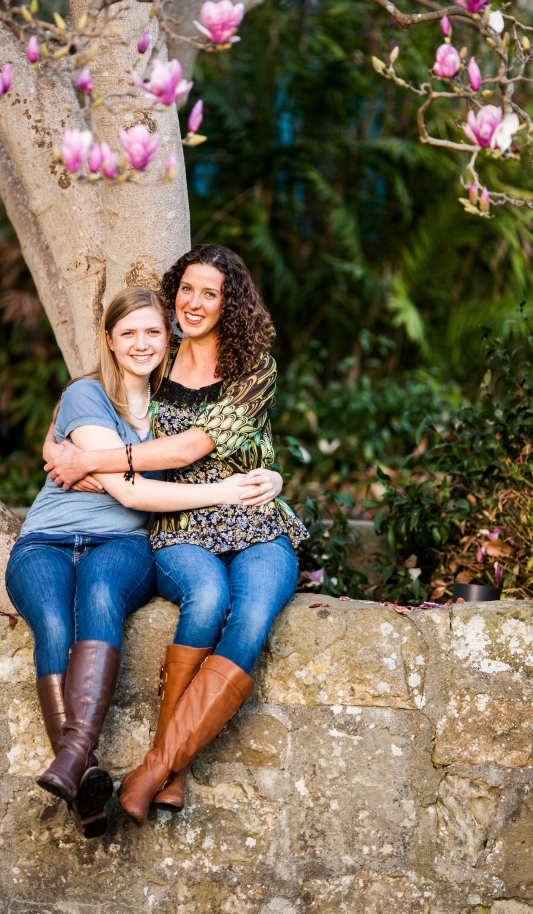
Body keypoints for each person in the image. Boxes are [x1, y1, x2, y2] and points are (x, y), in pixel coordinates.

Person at [43, 246, 308, 826]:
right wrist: (59, 449)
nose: (194, 303)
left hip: (255, 514)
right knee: (208, 598)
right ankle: (171, 771)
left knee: (255, 615)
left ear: (229, 302)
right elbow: (81, 404)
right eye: (186, 290)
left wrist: (97, 463)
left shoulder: (253, 367)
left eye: (209, 293)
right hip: (179, 524)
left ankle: (156, 768)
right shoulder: (155, 362)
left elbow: (191, 447)